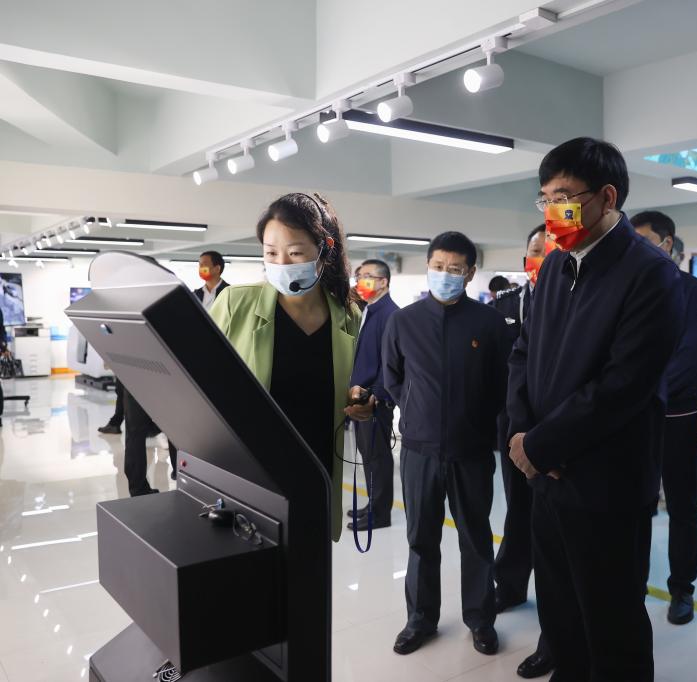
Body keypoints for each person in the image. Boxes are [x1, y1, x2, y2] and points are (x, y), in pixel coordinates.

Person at [507, 137, 685, 681]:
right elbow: (523, 355)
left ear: (607, 197)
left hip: (606, 484)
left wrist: (542, 445)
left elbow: (623, 386)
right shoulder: (555, 267)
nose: (552, 210)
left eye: (563, 197)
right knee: (560, 613)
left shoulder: (650, 273)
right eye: (545, 198)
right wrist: (524, 435)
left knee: (611, 623)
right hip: (547, 478)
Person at [209, 192, 363, 542]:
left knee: (310, 560)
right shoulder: (235, 304)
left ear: (324, 250)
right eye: (270, 253)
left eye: (295, 253)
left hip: (317, 467)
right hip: (252, 469)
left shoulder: (347, 316)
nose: (281, 263)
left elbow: (347, 386)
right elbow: (201, 379)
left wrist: (360, 401)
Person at [382, 231, 508, 657]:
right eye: (438, 266)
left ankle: (481, 619)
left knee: (476, 538)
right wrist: (418, 412)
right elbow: (392, 378)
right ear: (428, 266)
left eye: (455, 269)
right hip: (419, 451)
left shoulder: (488, 323)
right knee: (421, 538)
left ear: (470, 273)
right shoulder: (404, 321)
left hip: (472, 451)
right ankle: (420, 619)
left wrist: (475, 421)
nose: (445, 274)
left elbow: (501, 384)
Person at [633, 209, 697, 626]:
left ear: (667, 244)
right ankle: (632, 581)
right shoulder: (627, 287)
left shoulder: (693, 291)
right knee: (636, 504)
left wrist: (647, 389)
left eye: (644, 241)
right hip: (632, 420)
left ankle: (682, 588)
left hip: (677, 415)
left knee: (683, 507)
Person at [493, 224, 557, 679]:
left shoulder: (574, 300)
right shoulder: (504, 306)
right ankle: (510, 583)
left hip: (556, 433)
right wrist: (515, 429)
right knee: (517, 509)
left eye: (549, 250)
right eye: (535, 250)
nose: (541, 257)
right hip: (511, 427)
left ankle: (555, 637)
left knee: (552, 527)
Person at [347, 259, 400, 531]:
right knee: (368, 455)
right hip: (361, 396)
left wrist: (376, 394)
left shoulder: (390, 314)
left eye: (367, 275)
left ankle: (380, 514)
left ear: (383, 282)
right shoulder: (370, 309)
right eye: (359, 275)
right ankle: (372, 504)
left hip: (374, 400)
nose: (360, 280)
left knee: (377, 457)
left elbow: (390, 362)